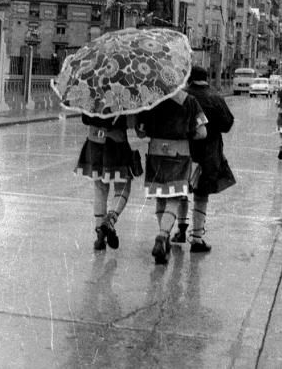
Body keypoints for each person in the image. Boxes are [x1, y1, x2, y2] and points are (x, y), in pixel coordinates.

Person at [137, 90, 207, 264]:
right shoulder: (190, 100)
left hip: (155, 153)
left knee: (160, 197)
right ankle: (162, 236)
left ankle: (165, 236)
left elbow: (140, 132)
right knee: (174, 198)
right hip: (179, 153)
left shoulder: (150, 99)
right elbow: (202, 132)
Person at [171, 65, 236, 252]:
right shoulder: (216, 97)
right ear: (206, 78)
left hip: (183, 150)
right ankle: (197, 238)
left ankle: (180, 230)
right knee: (201, 194)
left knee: (181, 190)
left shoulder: (182, 96)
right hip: (208, 153)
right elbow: (227, 124)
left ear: (189, 78)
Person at [75, 113, 135, 251]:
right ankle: (110, 221)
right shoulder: (125, 94)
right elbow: (133, 124)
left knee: (99, 189)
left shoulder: (91, 93)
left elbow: (85, 119)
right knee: (123, 186)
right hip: (116, 143)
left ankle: (99, 235)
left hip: (94, 142)